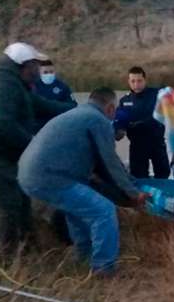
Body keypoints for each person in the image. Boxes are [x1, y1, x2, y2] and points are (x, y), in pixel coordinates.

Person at [18, 87, 149, 276]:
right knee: (104, 211)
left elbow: (105, 163)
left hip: (28, 174)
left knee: (77, 211)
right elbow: (110, 162)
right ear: (111, 108)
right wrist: (133, 193)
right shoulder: (99, 120)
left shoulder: (78, 114)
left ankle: (82, 259)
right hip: (50, 177)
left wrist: (129, 182)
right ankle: (104, 269)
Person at [0, 42, 75, 255]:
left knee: (21, 198)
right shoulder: (1, 84)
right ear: (23, 65)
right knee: (8, 201)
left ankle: (29, 251)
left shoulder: (15, 84)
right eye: (35, 66)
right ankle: (9, 258)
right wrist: (33, 145)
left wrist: (74, 110)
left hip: (0, 153)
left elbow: (41, 104)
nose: (38, 71)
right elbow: (3, 123)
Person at [115, 66, 170, 179]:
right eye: (133, 81)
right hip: (137, 146)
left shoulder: (157, 94)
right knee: (139, 177)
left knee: (164, 175)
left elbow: (173, 108)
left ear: (145, 80)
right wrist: (118, 132)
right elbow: (120, 128)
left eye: (139, 81)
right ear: (129, 82)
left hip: (157, 143)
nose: (136, 84)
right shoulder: (124, 101)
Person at [33, 59, 76, 129]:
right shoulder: (33, 86)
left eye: (51, 72)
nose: (49, 74)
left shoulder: (62, 86)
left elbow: (73, 106)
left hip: (58, 125)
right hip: (38, 126)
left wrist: (54, 107)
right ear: (39, 72)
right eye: (45, 72)